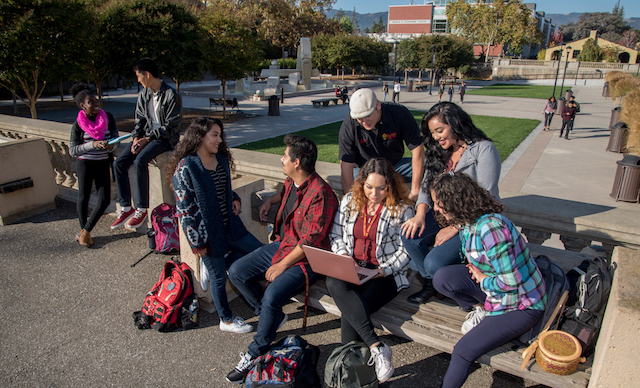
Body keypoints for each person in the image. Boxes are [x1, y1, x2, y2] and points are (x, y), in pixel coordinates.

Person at [225, 134, 338, 383]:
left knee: (272, 296)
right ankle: (271, 316)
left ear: (297, 162)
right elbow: (286, 191)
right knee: (236, 272)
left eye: (285, 156)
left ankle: (256, 351)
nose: (282, 159)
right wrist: (269, 200)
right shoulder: (292, 180)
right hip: (283, 246)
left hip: (307, 259)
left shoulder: (322, 194)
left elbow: (310, 242)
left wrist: (282, 265)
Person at [429, 172, 546, 388]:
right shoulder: (467, 223)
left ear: (455, 201)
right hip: (497, 291)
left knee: (463, 351)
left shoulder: (491, 229)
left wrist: (483, 280)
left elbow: (511, 281)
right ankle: (483, 310)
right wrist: (480, 273)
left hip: (521, 304)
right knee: (442, 278)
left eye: (438, 202)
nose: (435, 208)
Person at [169, 117, 263, 334]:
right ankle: (226, 320)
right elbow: (185, 210)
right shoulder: (186, 167)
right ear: (200, 137)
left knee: (259, 253)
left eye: (220, 135)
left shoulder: (220, 159)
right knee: (219, 278)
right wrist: (197, 243)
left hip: (230, 225)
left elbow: (222, 187)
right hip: (208, 234)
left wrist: (234, 197)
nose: (220, 140)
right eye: (215, 135)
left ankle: (216, 263)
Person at [401, 102, 501, 305]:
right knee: (409, 235)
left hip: (473, 222)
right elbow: (425, 188)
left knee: (434, 262)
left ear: (455, 124)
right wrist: (420, 215)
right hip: (442, 215)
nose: (436, 137)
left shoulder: (483, 150)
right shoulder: (438, 151)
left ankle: (465, 287)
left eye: (440, 130)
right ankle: (431, 284)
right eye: (433, 132)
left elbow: (486, 198)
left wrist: (454, 227)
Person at [327, 158, 414, 383]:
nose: (374, 193)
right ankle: (376, 347)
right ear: (361, 183)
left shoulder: (403, 210)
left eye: (381, 188)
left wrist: (383, 270)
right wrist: (345, 257)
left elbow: (406, 252)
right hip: (354, 266)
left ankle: (350, 377)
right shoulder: (349, 201)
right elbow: (336, 236)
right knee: (333, 282)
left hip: (385, 274)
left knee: (351, 312)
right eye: (368, 187)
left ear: (391, 185)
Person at [111, 58, 182, 230]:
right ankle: (126, 207)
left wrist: (147, 139)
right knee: (119, 163)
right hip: (147, 137)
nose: (138, 80)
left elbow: (170, 127)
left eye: (138, 76)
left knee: (140, 161)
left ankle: (142, 208)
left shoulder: (172, 95)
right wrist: (136, 137)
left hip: (164, 139)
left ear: (147, 74)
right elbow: (140, 120)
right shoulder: (144, 94)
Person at [338, 88, 425, 201]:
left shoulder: (399, 113)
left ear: (378, 105)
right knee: (357, 177)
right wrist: (350, 200)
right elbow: (346, 166)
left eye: (367, 115)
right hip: (364, 171)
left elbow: (418, 149)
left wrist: (415, 191)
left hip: (395, 167)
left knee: (430, 165)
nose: (364, 121)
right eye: (360, 118)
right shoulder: (348, 126)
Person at [69, 83, 119, 247]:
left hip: (103, 163)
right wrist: (93, 145)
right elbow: (73, 150)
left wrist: (112, 145)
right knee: (83, 197)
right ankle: (83, 231)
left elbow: (115, 137)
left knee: (104, 200)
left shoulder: (108, 117)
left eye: (97, 101)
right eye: (91, 102)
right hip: (85, 164)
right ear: (82, 105)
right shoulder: (78, 124)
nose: (96, 104)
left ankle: (85, 232)